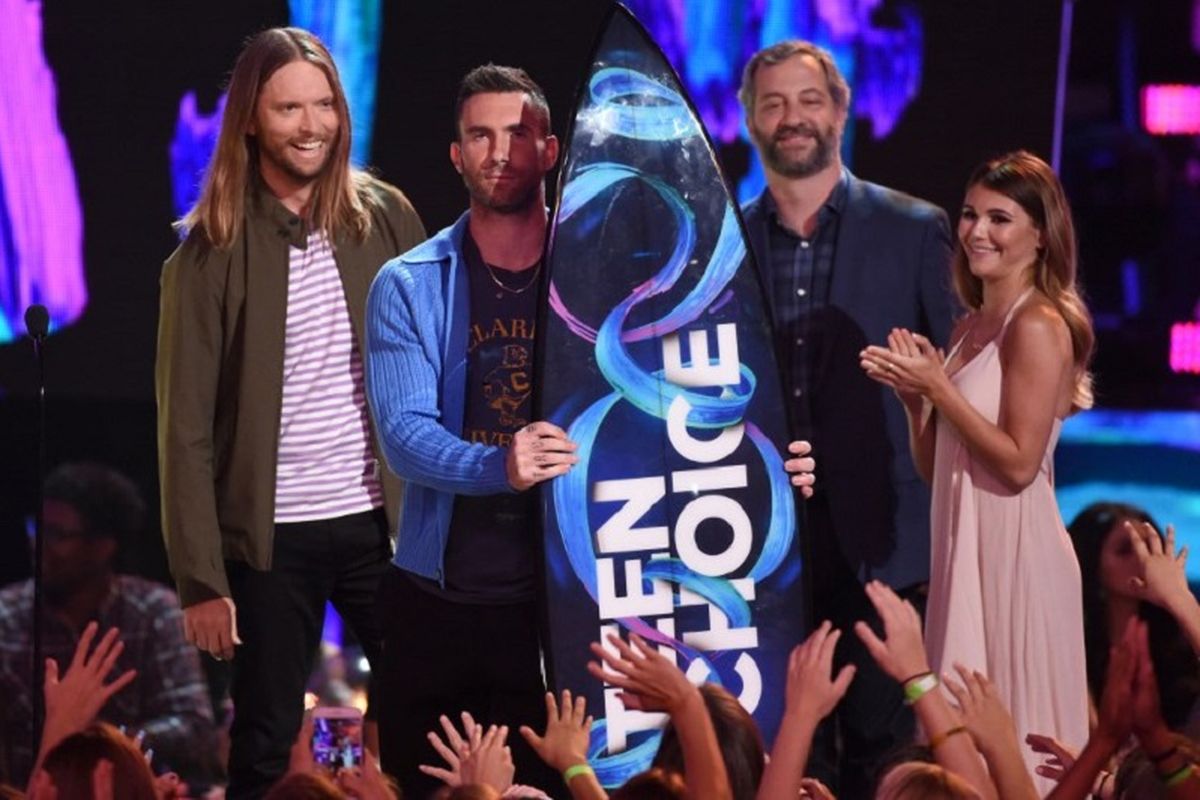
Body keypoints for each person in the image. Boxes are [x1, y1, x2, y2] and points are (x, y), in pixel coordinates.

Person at [156, 26, 425, 798]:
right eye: (287, 109)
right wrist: (201, 578)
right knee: (267, 738)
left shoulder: (385, 218)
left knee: (424, 711)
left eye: (323, 106)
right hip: (273, 540)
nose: (310, 126)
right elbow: (185, 431)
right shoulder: (208, 252)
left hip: (384, 524)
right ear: (250, 120)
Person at [737, 39, 957, 795]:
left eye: (807, 101)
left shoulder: (915, 227)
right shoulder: (722, 246)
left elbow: (957, 379)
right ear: (748, 121)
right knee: (787, 757)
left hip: (886, 542)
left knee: (884, 759)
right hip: (760, 548)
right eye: (773, 103)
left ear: (839, 111)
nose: (791, 118)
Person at [860, 149, 1094, 789]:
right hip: (965, 551)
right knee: (958, 740)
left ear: (1040, 235)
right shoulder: (969, 325)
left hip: (1017, 556)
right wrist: (919, 407)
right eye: (969, 215)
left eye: (1000, 219)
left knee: (1011, 729)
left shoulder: (1040, 324)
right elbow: (945, 474)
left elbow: (1018, 464)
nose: (977, 232)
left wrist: (941, 392)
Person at [0, 463, 215, 788]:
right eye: (36, 528)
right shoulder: (6, 615)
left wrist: (97, 738)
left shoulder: (153, 611)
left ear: (103, 546)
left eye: (57, 534)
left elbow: (194, 727)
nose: (39, 544)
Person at [1066, 503, 1200, 732]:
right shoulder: (1069, 651)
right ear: (1090, 562)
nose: (1145, 561)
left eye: (1149, 548)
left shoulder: (1181, 646)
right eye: (1126, 550)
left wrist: (1179, 598)